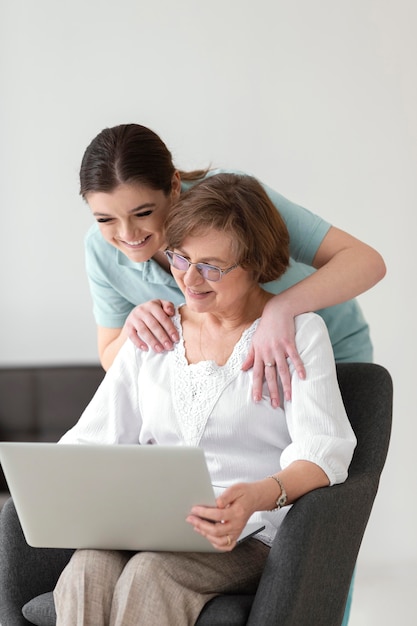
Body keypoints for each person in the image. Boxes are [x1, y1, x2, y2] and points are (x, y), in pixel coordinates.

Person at [54, 173, 357, 625]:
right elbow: (90, 440)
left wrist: (257, 495)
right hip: (151, 523)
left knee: (151, 572)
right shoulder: (154, 331)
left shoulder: (300, 334)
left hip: (246, 533)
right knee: (86, 567)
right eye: (180, 258)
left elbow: (324, 452)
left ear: (255, 263)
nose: (190, 280)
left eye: (211, 267)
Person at [80, 123, 386, 406]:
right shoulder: (100, 250)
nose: (127, 234)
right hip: (241, 374)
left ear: (174, 186)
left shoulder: (232, 200)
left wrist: (281, 308)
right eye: (105, 219)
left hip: (326, 351)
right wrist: (132, 329)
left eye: (143, 213)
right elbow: (111, 358)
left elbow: (364, 261)